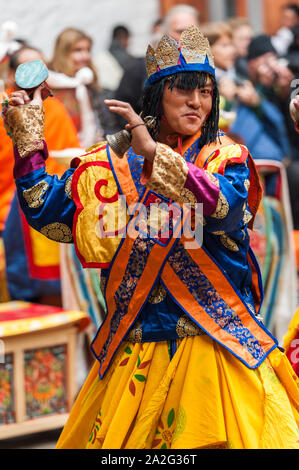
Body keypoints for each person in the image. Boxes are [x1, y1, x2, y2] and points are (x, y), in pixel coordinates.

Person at [4, 25, 299, 449]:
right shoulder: (107, 166)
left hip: (216, 349)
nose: (196, 102)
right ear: (157, 94)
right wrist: (30, 140)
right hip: (135, 353)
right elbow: (50, 215)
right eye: (183, 91)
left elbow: (226, 209)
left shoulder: (227, 158)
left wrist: (154, 155)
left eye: (205, 92)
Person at [0, 45, 81, 304]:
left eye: (41, 67)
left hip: (54, 198)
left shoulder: (55, 108)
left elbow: (68, 156)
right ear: (11, 74)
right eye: (27, 68)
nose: (36, 75)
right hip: (8, 207)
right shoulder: (7, 107)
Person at [114, 4, 200, 128]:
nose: (188, 38)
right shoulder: (138, 69)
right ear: (163, 34)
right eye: (180, 31)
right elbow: (121, 114)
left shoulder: (204, 69)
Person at [48, 27, 116, 148]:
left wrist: (103, 135)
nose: (85, 56)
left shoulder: (89, 84)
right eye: (77, 50)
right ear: (62, 53)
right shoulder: (48, 87)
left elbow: (106, 124)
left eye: (88, 50)